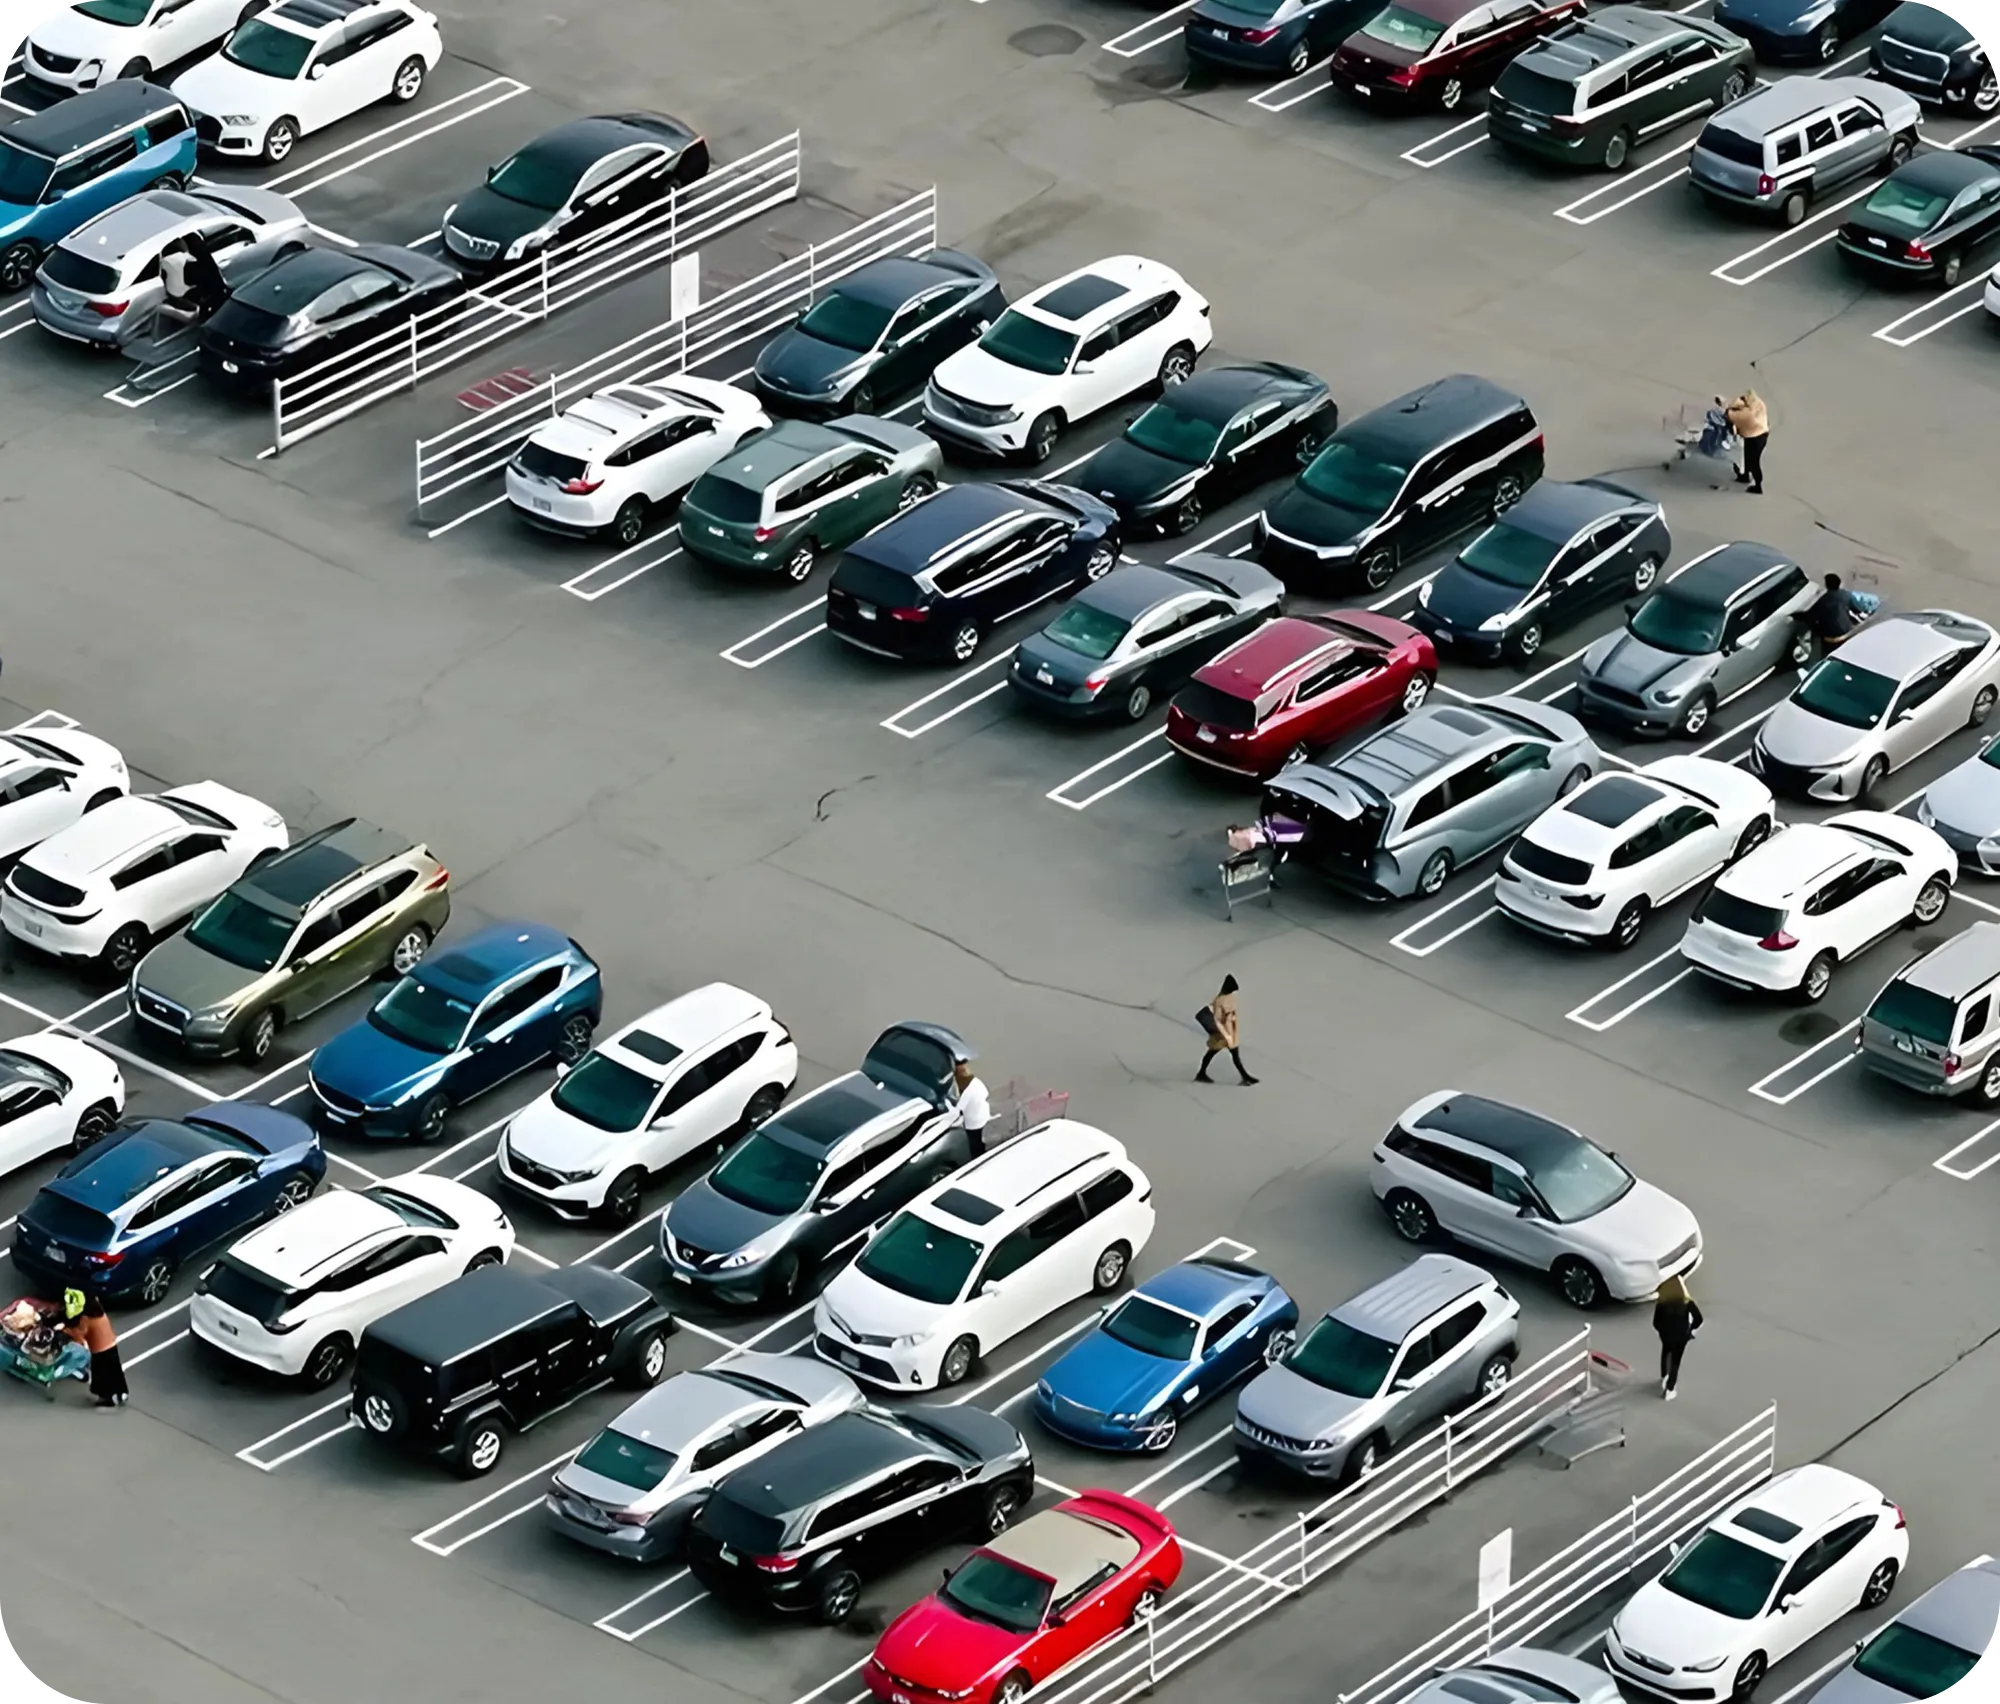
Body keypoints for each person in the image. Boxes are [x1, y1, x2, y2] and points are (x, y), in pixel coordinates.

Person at [64, 1292, 127, 1408]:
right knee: (115, 1371)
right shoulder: (99, 1311)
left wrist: (67, 1330)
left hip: (100, 1350)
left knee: (102, 1377)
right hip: (111, 1344)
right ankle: (122, 1392)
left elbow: (80, 1336)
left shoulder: (85, 1319)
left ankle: (107, 1398)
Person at [1196, 974, 1257, 1086]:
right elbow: (1218, 1020)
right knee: (1213, 1052)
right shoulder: (1220, 1001)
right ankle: (1202, 1073)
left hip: (1230, 1030)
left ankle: (1244, 1076)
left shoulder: (1229, 997)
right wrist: (1226, 1034)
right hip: (1224, 1032)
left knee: (1228, 1053)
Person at [1653, 1273, 1703, 1401]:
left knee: (1665, 1352)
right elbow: (1699, 1319)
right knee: (1676, 1361)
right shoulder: (1686, 1302)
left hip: (1666, 1334)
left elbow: (1655, 1322)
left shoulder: (1661, 1304)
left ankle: (1664, 1376)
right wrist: (1690, 1330)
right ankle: (1670, 1389)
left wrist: (1662, 1332)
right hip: (1681, 1336)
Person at [1722, 390, 1768, 494]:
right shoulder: (1759, 404)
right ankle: (1745, 475)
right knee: (1747, 455)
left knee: (1754, 462)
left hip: (1754, 438)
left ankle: (1758, 486)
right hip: (1761, 431)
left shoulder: (1745, 415)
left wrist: (1725, 405)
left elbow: (1728, 415)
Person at [1809, 573, 1865, 650]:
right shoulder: (1846, 594)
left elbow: (1811, 617)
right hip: (1846, 632)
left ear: (1826, 585)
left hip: (1830, 637)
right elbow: (1857, 609)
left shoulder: (1823, 600)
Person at [953, 1059, 992, 1155]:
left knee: (974, 1144)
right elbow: (986, 1093)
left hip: (973, 1123)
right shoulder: (976, 1081)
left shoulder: (967, 1089)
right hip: (983, 1116)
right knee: (979, 1141)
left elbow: (958, 1108)